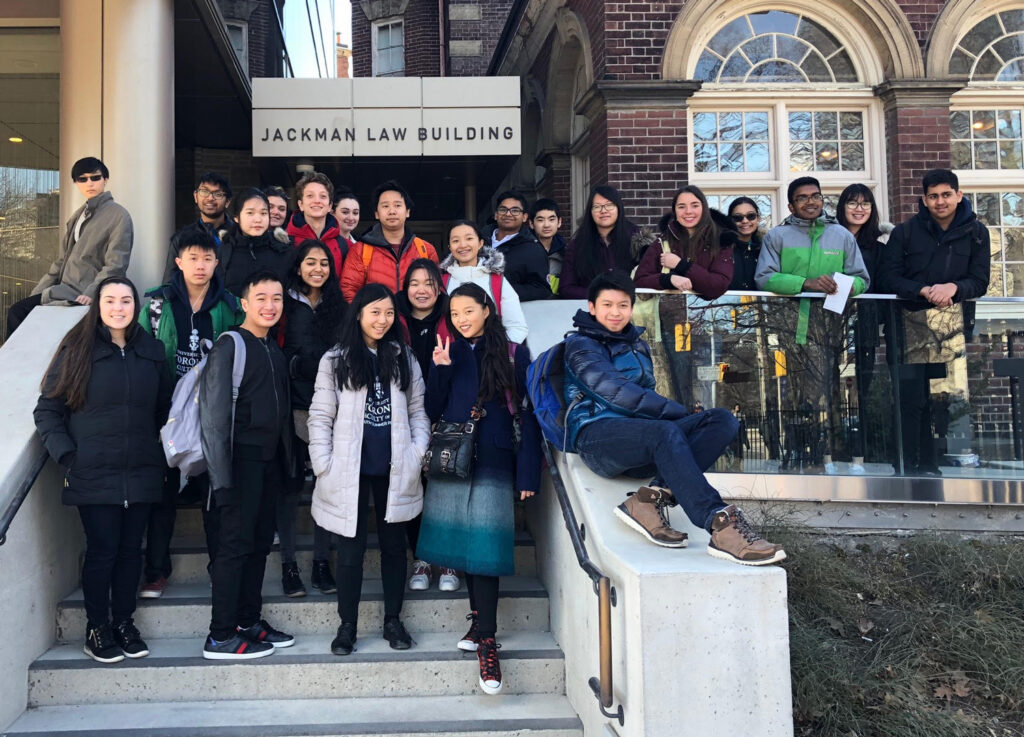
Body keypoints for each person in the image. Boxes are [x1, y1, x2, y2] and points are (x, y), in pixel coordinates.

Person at [563, 271, 785, 565]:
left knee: (721, 420)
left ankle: (649, 499)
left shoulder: (637, 345)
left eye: (623, 305)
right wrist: (676, 413)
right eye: (607, 305)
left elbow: (645, 398)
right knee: (664, 432)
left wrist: (680, 417)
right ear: (592, 307)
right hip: (598, 437)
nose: (615, 312)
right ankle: (718, 523)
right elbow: (616, 393)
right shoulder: (580, 345)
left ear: (632, 307)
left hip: (639, 436)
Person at [34, 276, 172, 663]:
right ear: (98, 305)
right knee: (103, 552)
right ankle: (97, 627)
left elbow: (164, 410)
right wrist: (69, 457)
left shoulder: (153, 351)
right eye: (109, 300)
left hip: (142, 471)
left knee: (132, 553)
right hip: (94, 473)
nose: (118, 307)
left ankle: (124, 623)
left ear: (136, 306)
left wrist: (160, 452)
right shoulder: (77, 349)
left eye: (126, 300)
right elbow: (47, 411)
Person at [416, 283, 542, 695]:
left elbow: (528, 412)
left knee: (485, 551)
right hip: (454, 458)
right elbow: (434, 408)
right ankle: (477, 619)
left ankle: (487, 642)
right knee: (465, 546)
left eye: (468, 310)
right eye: (454, 313)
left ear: (487, 309)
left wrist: (527, 474)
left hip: (493, 457)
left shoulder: (512, 352)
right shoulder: (447, 350)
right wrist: (439, 368)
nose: (461, 319)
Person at [307, 284, 429, 656]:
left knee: (394, 549)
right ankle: (347, 624)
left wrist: (416, 452)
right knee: (350, 551)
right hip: (348, 469)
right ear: (359, 313)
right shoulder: (335, 359)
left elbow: (418, 411)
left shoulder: (403, 357)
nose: (382, 320)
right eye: (375, 312)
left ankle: (393, 620)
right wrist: (323, 465)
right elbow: (320, 416)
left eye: (389, 313)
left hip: (395, 467)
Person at [138, 225, 242, 598]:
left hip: (212, 416)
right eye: (193, 258)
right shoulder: (155, 304)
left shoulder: (230, 306)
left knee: (213, 496)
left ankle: (220, 568)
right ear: (179, 261)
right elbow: (139, 355)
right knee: (163, 495)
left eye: (208, 258)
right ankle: (156, 570)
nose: (200, 265)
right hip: (166, 413)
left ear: (217, 262)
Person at [199, 270, 296, 660]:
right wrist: (221, 479)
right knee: (233, 549)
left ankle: (247, 621)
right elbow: (214, 417)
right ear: (244, 303)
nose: (270, 306)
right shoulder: (230, 345)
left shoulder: (273, 348)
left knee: (257, 547)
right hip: (238, 466)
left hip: (269, 464)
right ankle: (220, 635)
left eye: (276, 298)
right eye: (261, 298)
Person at [878, 169, 990, 476]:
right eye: (933, 196)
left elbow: (980, 281)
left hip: (951, 329)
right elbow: (888, 277)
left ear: (958, 195)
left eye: (945, 195)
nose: (940, 202)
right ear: (924, 200)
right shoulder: (905, 232)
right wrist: (921, 290)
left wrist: (955, 288)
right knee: (910, 400)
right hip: (908, 324)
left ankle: (932, 464)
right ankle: (906, 466)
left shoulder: (977, 232)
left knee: (942, 399)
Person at [756, 176, 870, 473]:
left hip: (832, 326)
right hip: (787, 323)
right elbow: (764, 277)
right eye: (803, 198)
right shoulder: (777, 236)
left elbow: (862, 279)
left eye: (815, 196)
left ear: (823, 199)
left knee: (829, 390)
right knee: (794, 393)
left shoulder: (841, 235)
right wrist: (805, 283)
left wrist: (841, 284)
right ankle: (797, 456)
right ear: (792, 204)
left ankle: (834, 457)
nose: (810, 202)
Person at [278, 240, 346, 597]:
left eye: (324, 263)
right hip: (290, 407)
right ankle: (289, 565)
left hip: (328, 409)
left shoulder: (339, 306)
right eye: (310, 262)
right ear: (298, 265)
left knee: (326, 486)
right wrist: (296, 365)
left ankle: (322, 563)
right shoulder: (284, 301)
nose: (317, 268)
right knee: (289, 490)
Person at [9, 157, 133, 336]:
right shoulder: (78, 216)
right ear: (76, 183)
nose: (89, 183)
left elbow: (116, 265)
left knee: (20, 314)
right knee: (21, 312)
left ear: (105, 180)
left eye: (95, 178)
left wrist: (92, 292)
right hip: (63, 290)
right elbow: (61, 261)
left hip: (84, 292)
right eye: (82, 179)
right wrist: (38, 292)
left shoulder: (118, 215)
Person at [396, 258, 452, 592]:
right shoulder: (394, 320)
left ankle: (447, 558)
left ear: (439, 288)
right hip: (404, 418)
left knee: (443, 490)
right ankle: (421, 556)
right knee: (411, 486)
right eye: (415, 283)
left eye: (429, 283)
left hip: (446, 417)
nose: (421, 290)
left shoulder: (451, 320)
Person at [837, 184, 892, 474]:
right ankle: (837, 451)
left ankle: (868, 450)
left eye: (866, 203)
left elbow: (882, 286)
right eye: (853, 202)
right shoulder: (831, 240)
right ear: (842, 207)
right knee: (833, 388)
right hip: (833, 323)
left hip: (867, 325)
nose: (859, 208)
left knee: (866, 385)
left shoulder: (879, 248)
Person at [341, 180, 439, 301]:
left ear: (407, 211)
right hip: (378, 319)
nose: (392, 211)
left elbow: (436, 289)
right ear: (376, 213)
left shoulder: (425, 250)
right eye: (385, 206)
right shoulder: (361, 250)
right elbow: (348, 291)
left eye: (397, 205)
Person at [633, 185, 735, 300]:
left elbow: (718, 286)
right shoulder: (662, 242)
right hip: (668, 314)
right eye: (681, 207)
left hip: (709, 314)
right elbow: (639, 281)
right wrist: (668, 279)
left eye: (695, 205)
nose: (688, 211)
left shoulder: (720, 240)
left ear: (704, 208)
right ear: (675, 211)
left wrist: (681, 265)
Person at [440, 220, 529, 343]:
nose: (462, 245)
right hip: (452, 357)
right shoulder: (442, 283)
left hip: (491, 357)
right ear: (450, 247)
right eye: (455, 241)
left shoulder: (497, 281)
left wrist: (498, 352)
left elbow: (517, 327)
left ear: (480, 243)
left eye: (469, 238)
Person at [560, 185, 653, 300]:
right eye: (597, 207)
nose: (603, 211)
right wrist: (599, 296)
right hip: (590, 311)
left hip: (630, 310)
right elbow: (566, 288)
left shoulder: (638, 240)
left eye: (609, 205)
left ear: (618, 207)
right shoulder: (577, 245)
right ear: (590, 211)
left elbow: (649, 280)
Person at [219, 189, 293, 297]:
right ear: (236, 217)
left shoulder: (283, 250)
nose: (258, 219)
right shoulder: (223, 251)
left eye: (263, 213)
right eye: (250, 213)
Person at [162, 172, 234, 281]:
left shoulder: (239, 234)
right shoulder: (182, 238)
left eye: (218, 194)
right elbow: (169, 282)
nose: (210, 198)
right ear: (195, 196)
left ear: (227, 201)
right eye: (204, 192)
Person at [484, 191, 552, 301]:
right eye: (503, 209)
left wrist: (500, 291)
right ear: (496, 215)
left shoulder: (534, 250)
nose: (508, 214)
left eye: (515, 210)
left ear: (524, 217)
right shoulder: (478, 240)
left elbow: (541, 290)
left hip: (511, 311)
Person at [286, 171, 345, 275]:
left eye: (323, 196)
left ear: (330, 206)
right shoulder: (286, 243)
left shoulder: (345, 246)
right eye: (310, 196)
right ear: (301, 204)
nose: (317, 201)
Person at [528, 198, 566, 295]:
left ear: (559, 222)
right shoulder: (523, 252)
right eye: (540, 220)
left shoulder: (566, 253)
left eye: (551, 219)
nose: (546, 225)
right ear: (531, 224)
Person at [727, 197, 764, 291]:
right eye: (737, 218)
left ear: (758, 218)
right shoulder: (720, 249)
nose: (745, 221)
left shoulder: (767, 248)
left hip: (761, 305)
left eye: (751, 216)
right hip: (724, 304)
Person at [333, 186, 361, 253]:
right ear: (332, 213)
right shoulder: (324, 243)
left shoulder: (361, 244)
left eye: (355, 213)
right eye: (345, 212)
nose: (351, 218)